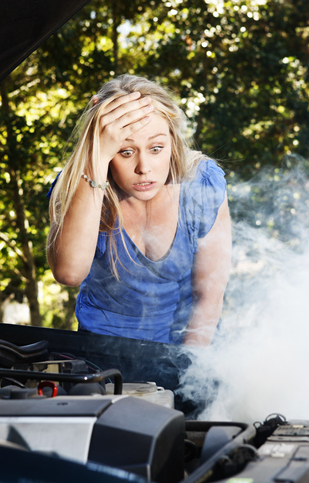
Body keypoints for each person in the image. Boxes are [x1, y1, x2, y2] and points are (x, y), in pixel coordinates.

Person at [47, 75, 231, 346]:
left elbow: (210, 296)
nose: (144, 167)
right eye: (125, 152)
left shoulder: (200, 182)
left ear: (172, 142)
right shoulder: (80, 186)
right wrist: (96, 155)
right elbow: (69, 274)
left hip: (188, 351)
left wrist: (187, 371)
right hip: (102, 355)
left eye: (156, 148)